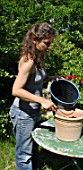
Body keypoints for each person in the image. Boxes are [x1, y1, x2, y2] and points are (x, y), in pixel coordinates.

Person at [9, 22, 60, 170]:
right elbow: (16, 90)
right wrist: (42, 100)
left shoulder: (39, 57)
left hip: (34, 111)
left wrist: (51, 77)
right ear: (34, 40)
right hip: (23, 114)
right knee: (24, 156)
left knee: (33, 150)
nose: (50, 47)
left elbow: (36, 80)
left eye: (51, 43)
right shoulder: (28, 61)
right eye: (46, 43)